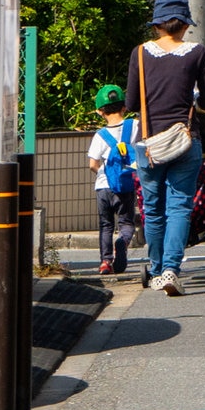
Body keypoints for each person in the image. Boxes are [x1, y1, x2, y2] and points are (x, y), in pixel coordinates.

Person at [128, 0, 205, 295]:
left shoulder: (139, 54)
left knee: (152, 210)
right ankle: (170, 271)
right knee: (180, 207)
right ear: (185, 24)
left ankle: (155, 268)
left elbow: (130, 102)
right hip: (185, 139)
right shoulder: (197, 53)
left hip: (149, 143)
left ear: (157, 24)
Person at [85, 85, 138, 275]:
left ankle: (105, 262)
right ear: (124, 107)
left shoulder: (100, 135)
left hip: (103, 187)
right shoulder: (134, 126)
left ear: (100, 111)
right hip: (125, 184)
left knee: (106, 225)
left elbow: (93, 163)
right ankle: (123, 241)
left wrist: (102, 173)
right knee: (126, 223)